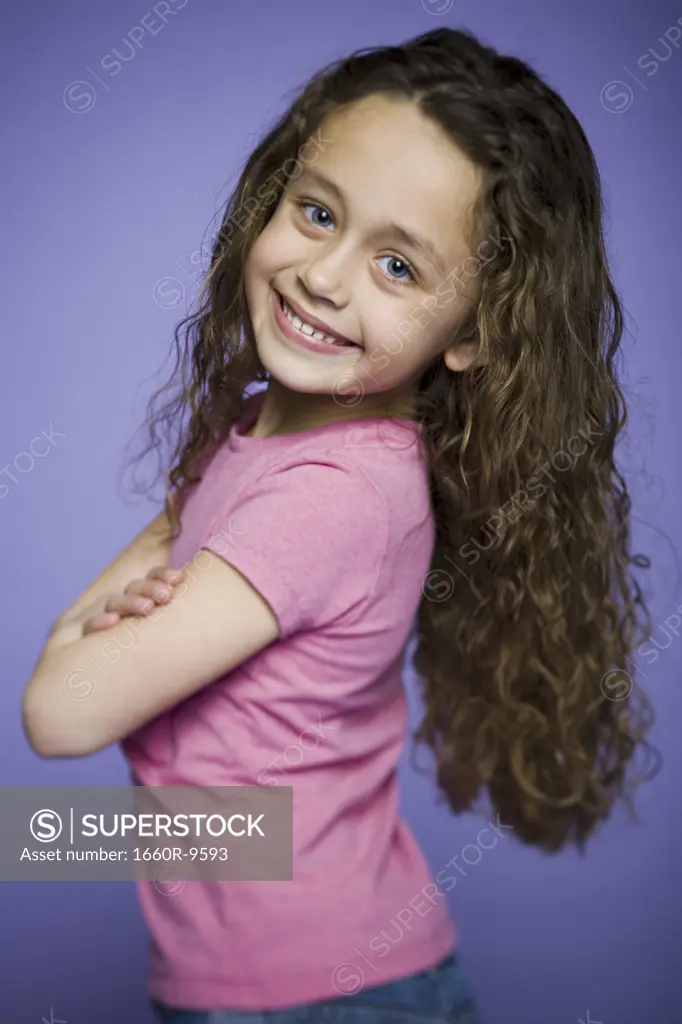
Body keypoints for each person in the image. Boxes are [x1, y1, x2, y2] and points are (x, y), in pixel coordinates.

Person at [23, 25, 656, 1024]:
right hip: (271, 975)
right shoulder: (257, 433)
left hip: (322, 996)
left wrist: (74, 643)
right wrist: (52, 835)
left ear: (478, 332)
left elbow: (59, 716)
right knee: (35, 845)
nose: (325, 275)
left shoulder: (333, 498)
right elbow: (221, 819)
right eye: (317, 212)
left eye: (398, 267)